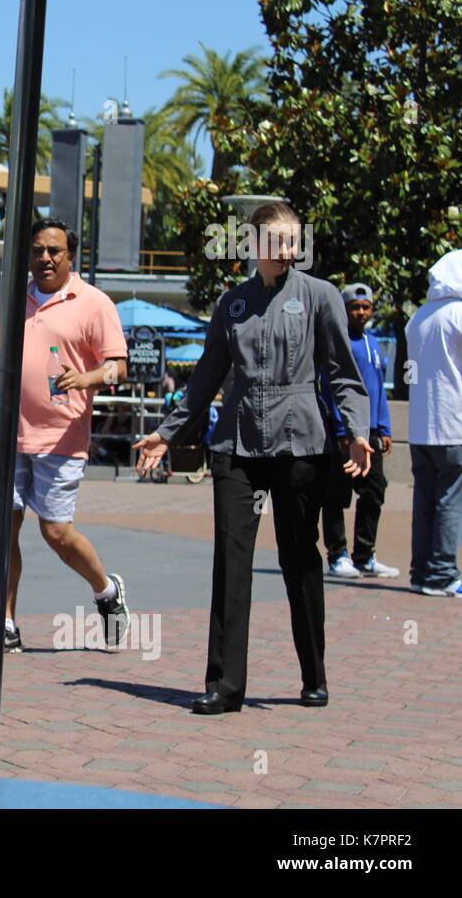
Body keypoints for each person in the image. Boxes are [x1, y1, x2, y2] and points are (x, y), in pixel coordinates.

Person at [136, 202, 371, 713]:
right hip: (236, 446)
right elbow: (206, 377)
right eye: (277, 240)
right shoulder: (232, 304)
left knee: (299, 557)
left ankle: (314, 673)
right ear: (253, 244)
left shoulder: (319, 296)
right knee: (231, 562)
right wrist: (166, 434)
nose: (288, 249)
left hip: (300, 444)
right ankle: (224, 685)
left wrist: (356, 432)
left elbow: (343, 374)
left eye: (294, 240)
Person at [0, 217, 131, 654]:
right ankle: (5, 622)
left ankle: (105, 590)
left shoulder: (94, 302)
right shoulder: (11, 301)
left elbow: (118, 366)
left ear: (70, 255)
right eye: (37, 251)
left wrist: (87, 378)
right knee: (2, 532)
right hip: (5, 436)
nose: (44, 258)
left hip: (61, 437)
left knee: (56, 533)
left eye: (54, 251)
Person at [320, 283, 398, 579]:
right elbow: (332, 389)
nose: (362, 312)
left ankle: (365, 555)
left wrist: (385, 427)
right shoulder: (337, 343)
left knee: (374, 492)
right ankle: (337, 555)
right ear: (345, 310)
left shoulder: (373, 343)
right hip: (344, 436)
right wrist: (342, 430)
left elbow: (377, 388)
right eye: (356, 307)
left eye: (366, 307)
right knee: (336, 496)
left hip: (371, 434)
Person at [405, 251, 462, 596]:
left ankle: (421, 572)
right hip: (453, 422)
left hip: (420, 427)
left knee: (424, 499)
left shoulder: (419, 318)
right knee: (449, 499)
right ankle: (442, 574)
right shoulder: (458, 314)